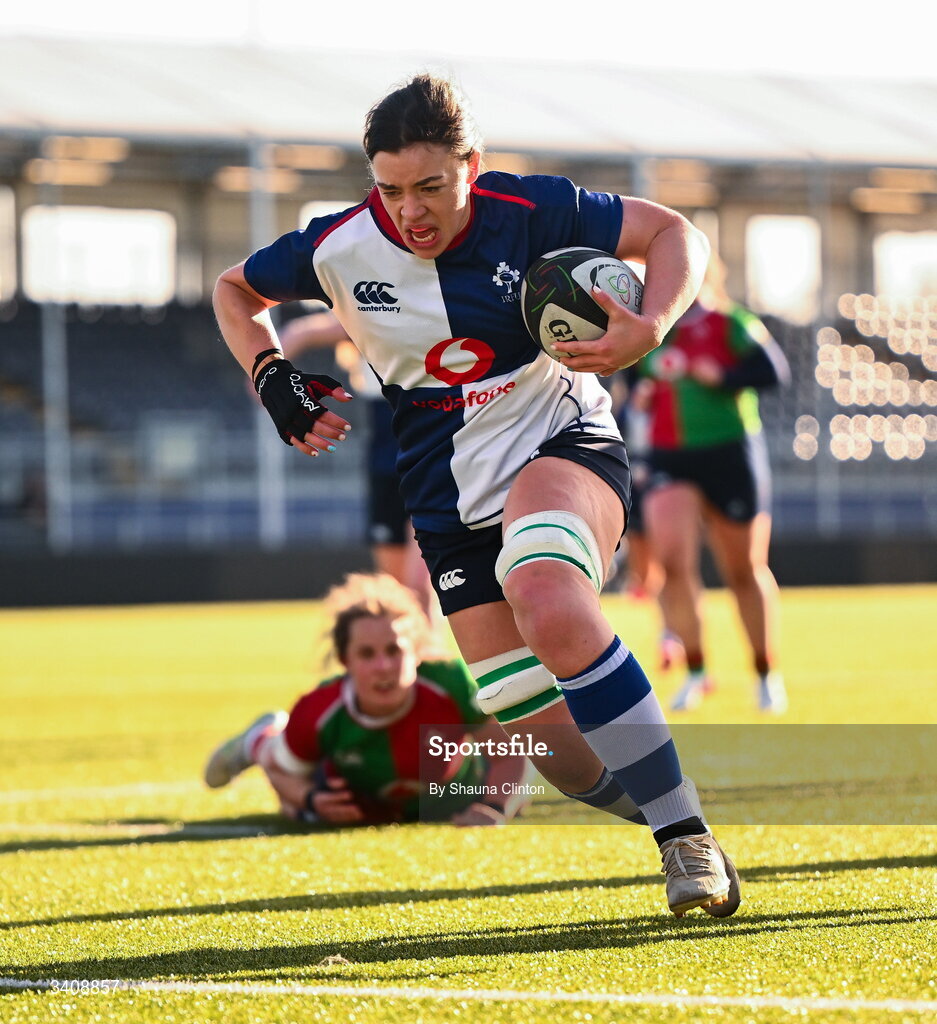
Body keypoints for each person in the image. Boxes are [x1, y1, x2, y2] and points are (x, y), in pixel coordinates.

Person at [213, 73, 739, 917]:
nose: (410, 211)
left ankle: (683, 840)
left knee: (546, 592)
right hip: (445, 497)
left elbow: (673, 233)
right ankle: (678, 814)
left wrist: (655, 321)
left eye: (431, 186)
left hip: (557, 441)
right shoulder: (339, 244)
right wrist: (272, 374)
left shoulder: (528, 208)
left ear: (472, 167)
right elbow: (234, 291)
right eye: (390, 189)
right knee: (557, 754)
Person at [204, 572, 531, 826]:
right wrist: (311, 800)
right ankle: (260, 739)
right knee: (292, 809)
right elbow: (281, 773)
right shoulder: (318, 709)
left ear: (416, 654)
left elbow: (511, 754)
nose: (383, 667)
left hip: (446, 799)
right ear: (345, 660)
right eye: (366, 654)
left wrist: (494, 807)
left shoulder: (450, 682)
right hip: (357, 800)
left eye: (394, 651)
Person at [633, 253, 790, 713]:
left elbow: (774, 373)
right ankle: (697, 672)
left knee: (743, 570)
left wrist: (722, 376)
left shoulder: (732, 322)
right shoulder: (649, 332)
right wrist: (639, 396)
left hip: (730, 453)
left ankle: (765, 673)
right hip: (670, 457)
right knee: (673, 564)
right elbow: (629, 386)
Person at [277, 309, 441, 628]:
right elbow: (300, 332)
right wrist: (268, 380)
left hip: (430, 448)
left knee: (419, 588)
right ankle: (410, 671)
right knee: (396, 595)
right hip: (384, 455)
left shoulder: (414, 304)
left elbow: (301, 332)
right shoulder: (361, 318)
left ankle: (438, 671)